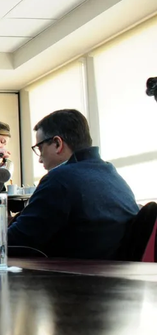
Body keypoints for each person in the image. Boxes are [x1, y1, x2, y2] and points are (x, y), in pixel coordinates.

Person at [8, 109, 138, 259]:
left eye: (40, 148)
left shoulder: (59, 180)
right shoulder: (111, 174)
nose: (39, 159)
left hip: (76, 278)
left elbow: (14, 242)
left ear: (57, 143)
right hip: (113, 275)